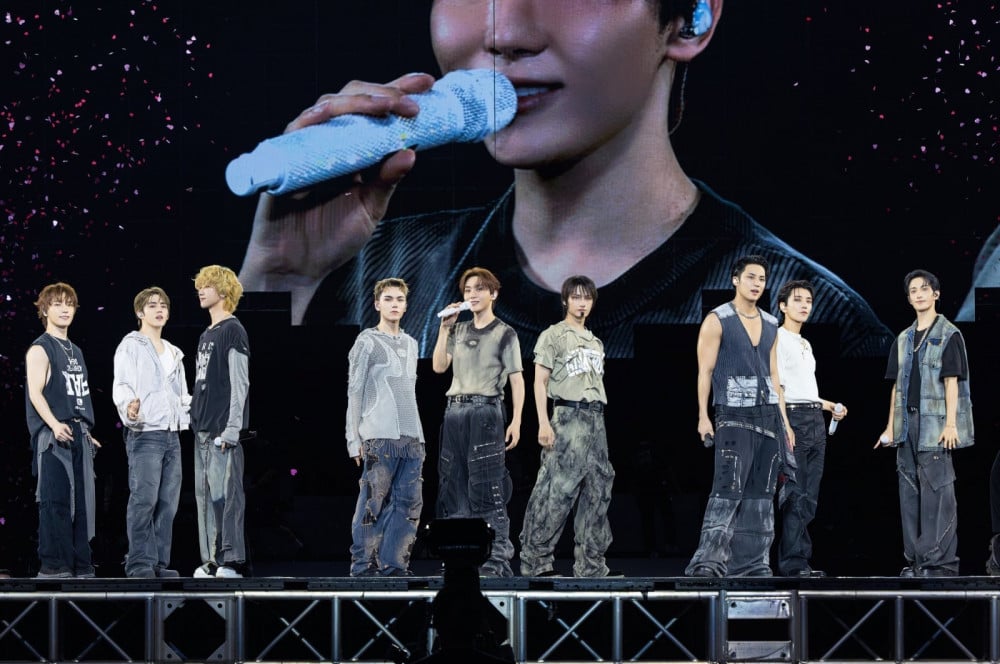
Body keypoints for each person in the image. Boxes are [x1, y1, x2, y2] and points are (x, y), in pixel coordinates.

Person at [237, 0, 891, 360]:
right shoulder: (369, 278)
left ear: (691, 17)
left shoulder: (814, 321)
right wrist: (281, 281)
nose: (504, 32)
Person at [685, 255, 793, 577]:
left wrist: (785, 423)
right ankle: (709, 562)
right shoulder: (718, 319)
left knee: (762, 494)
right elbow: (704, 371)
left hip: (768, 418)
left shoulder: (771, 323)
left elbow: (775, 375)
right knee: (727, 489)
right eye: (751, 277)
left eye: (762, 279)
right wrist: (703, 416)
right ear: (735, 279)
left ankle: (752, 565)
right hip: (733, 415)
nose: (757, 284)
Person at [876, 269, 973, 577]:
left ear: (936, 294)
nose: (919, 294)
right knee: (908, 492)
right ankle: (915, 562)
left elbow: (952, 382)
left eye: (924, 289)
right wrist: (890, 426)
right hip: (907, 424)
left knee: (937, 492)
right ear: (908, 298)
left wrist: (951, 424)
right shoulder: (903, 338)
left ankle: (939, 563)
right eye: (913, 290)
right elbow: (896, 386)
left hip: (934, 424)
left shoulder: (948, 334)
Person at [519, 276, 617, 578]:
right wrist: (543, 422)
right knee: (556, 490)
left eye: (587, 297)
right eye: (576, 297)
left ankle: (591, 566)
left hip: (595, 419)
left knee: (598, 489)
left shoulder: (595, 341)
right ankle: (536, 562)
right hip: (567, 416)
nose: (582, 303)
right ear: (565, 301)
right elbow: (540, 381)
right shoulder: (553, 335)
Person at [433, 267, 524, 577]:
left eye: (479, 288)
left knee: (487, 488)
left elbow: (517, 380)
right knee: (453, 487)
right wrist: (444, 328)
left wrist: (517, 421)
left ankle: (496, 561)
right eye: (468, 289)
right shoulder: (457, 330)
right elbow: (438, 367)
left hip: (486, 412)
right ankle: (459, 560)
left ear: (493, 294)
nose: (472, 294)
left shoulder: (505, 332)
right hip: (455, 411)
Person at [346, 278, 426, 576]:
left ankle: (394, 565)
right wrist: (353, 438)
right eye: (389, 299)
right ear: (377, 304)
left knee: (408, 504)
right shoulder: (367, 341)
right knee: (372, 502)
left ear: (405, 306)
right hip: (379, 435)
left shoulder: (411, 343)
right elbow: (355, 391)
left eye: (400, 299)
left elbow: (409, 391)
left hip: (412, 435)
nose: (394, 304)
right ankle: (363, 566)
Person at [112, 287, 191, 578]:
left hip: (172, 434)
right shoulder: (131, 345)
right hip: (146, 433)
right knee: (144, 499)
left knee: (168, 503)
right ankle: (138, 563)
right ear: (140, 312)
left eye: (163, 305)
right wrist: (129, 408)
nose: (159, 309)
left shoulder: (173, 351)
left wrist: (193, 409)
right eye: (152, 305)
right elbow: (122, 384)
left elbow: (181, 395)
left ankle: (158, 564)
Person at [25, 282, 102, 578]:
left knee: (83, 504)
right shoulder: (40, 348)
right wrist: (54, 424)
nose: (65, 308)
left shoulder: (76, 351)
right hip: (53, 435)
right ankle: (55, 565)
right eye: (57, 303)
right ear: (45, 310)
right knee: (56, 500)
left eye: (69, 303)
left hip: (78, 432)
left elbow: (77, 395)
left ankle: (81, 565)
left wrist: (86, 431)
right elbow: (35, 393)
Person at [773, 280, 847, 578]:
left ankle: (801, 560)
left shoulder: (805, 343)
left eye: (808, 301)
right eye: (798, 300)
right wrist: (785, 426)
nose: (804, 305)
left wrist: (830, 406)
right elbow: (778, 387)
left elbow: (805, 390)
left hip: (815, 418)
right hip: (795, 419)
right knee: (795, 494)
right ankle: (792, 564)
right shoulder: (777, 338)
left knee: (810, 497)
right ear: (783, 306)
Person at [191, 265, 252, 578]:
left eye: (208, 285)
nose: (201, 290)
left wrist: (232, 428)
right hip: (202, 430)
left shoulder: (233, 330)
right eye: (200, 285)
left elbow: (240, 382)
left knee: (227, 498)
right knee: (206, 499)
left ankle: (231, 561)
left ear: (224, 290)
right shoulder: (206, 334)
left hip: (221, 430)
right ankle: (213, 560)